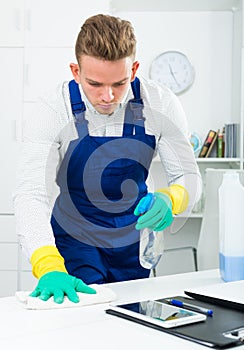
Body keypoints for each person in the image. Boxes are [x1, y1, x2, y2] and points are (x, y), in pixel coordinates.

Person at [14, 14, 201, 304]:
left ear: (134, 69)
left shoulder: (161, 103)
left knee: (133, 322)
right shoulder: (52, 110)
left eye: (119, 83)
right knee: (83, 327)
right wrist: (47, 263)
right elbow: (31, 192)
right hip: (75, 242)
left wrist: (172, 197)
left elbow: (189, 177)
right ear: (75, 71)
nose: (107, 96)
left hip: (134, 243)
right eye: (95, 84)